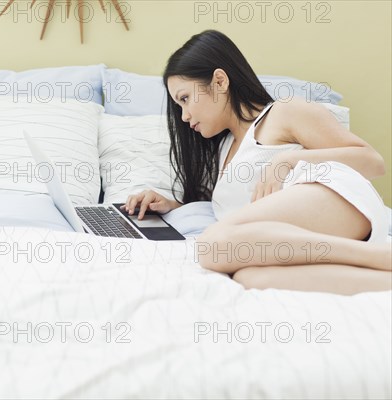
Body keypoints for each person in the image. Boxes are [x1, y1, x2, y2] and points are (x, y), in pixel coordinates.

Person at [121, 30, 391, 295]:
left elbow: (372, 161)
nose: (184, 115)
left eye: (185, 99)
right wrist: (172, 207)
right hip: (303, 233)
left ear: (219, 82)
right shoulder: (223, 149)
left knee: (212, 245)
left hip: (337, 202)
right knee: (253, 277)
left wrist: (288, 160)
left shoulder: (284, 112)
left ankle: (381, 256)